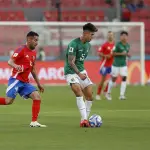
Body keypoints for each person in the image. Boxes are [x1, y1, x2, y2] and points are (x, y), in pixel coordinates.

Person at [0, 31, 46, 127]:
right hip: (16, 80)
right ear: (29, 40)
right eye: (35, 40)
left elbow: (32, 69)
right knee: (8, 101)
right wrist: (16, 66)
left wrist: (38, 83)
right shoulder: (21, 49)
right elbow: (10, 61)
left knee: (36, 96)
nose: (37, 43)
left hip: (25, 82)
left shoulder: (33, 53)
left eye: (37, 40)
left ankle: (34, 122)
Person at [64, 23, 98, 127]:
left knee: (89, 96)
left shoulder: (88, 45)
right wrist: (79, 74)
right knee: (79, 93)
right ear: (86, 33)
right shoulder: (73, 44)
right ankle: (84, 120)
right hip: (71, 72)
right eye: (92, 34)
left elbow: (80, 61)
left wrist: (82, 73)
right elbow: (71, 62)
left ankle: (85, 120)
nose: (93, 37)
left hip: (82, 71)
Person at [106, 31, 130, 100]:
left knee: (124, 78)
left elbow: (125, 53)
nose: (124, 37)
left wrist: (127, 55)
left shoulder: (128, 45)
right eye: (123, 36)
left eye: (125, 36)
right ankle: (108, 93)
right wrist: (121, 54)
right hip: (116, 64)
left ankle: (122, 95)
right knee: (113, 79)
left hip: (123, 65)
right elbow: (113, 54)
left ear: (127, 37)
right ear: (121, 37)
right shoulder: (117, 45)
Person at [96, 31, 115, 100]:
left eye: (111, 35)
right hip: (105, 64)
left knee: (111, 79)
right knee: (103, 80)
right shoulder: (105, 45)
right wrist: (106, 56)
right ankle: (98, 94)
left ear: (113, 36)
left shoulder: (115, 45)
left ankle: (106, 92)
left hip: (113, 65)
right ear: (107, 36)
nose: (110, 36)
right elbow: (99, 53)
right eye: (109, 35)